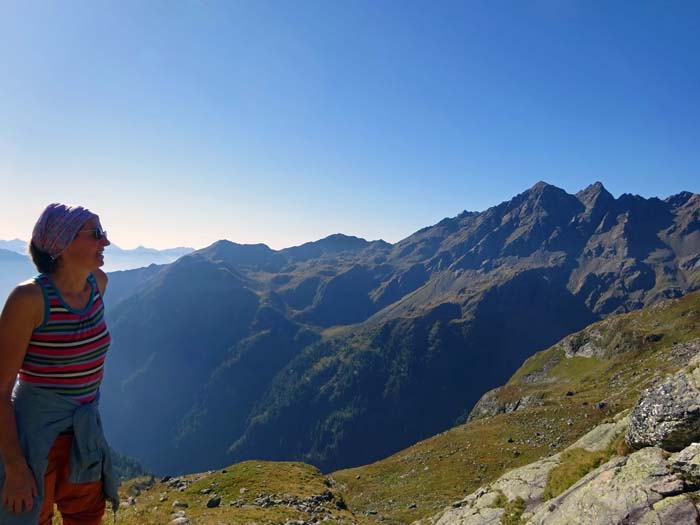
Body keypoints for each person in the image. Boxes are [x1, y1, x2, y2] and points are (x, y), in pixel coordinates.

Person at [0, 203, 120, 525]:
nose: (105, 241)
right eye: (96, 234)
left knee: (86, 516)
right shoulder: (29, 300)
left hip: (83, 432)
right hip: (34, 436)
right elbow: (0, 389)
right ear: (63, 243)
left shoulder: (99, 284)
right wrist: (13, 466)